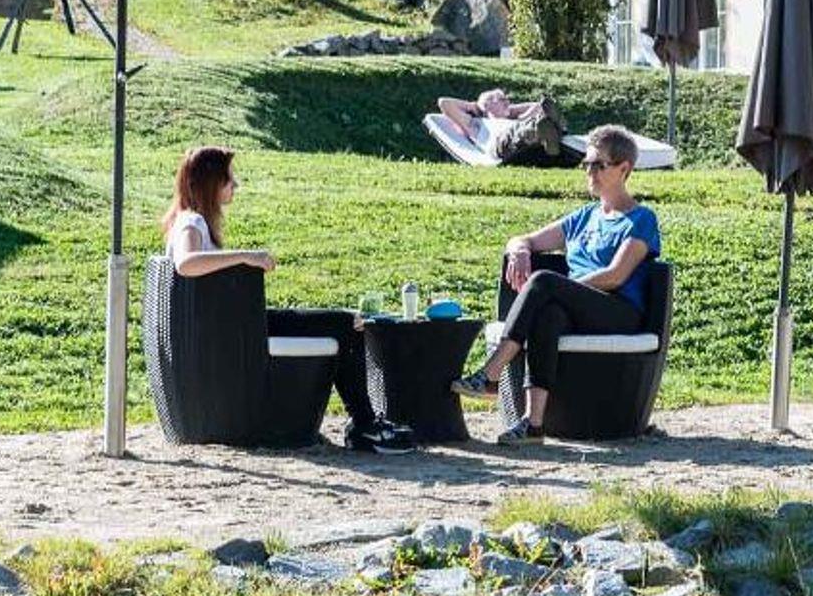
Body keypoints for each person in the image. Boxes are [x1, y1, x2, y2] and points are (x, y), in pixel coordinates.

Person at [161, 146, 415, 455]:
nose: (235, 185)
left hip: (234, 324)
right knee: (345, 323)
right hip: (234, 331)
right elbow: (186, 263)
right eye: (229, 179)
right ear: (211, 183)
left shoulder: (187, 220)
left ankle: (365, 422)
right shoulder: (191, 222)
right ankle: (366, 426)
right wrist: (245, 256)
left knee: (344, 321)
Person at [452, 125, 661, 445]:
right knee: (548, 315)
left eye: (598, 165)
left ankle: (491, 373)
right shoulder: (584, 217)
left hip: (618, 310)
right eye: (586, 164)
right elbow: (523, 239)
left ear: (624, 169)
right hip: (578, 307)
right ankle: (534, 424)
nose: (589, 172)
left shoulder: (641, 219)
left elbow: (616, 276)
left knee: (545, 284)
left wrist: (562, 286)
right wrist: (520, 251)